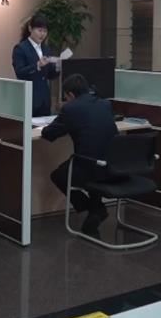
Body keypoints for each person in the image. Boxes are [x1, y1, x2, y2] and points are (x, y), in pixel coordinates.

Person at [41, 74, 119, 234]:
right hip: (114, 166)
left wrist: (59, 118)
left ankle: (94, 208)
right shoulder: (105, 104)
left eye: (66, 97)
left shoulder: (71, 109)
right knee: (93, 157)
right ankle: (96, 209)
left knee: (58, 176)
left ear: (70, 95)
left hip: (90, 168)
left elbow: (49, 134)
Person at [12, 13, 60, 117]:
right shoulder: (20, 48)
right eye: (39, 30)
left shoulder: (46, 48)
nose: (42, 34)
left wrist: (58, 67)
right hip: (29, 99)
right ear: (30, 29)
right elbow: (20, 73)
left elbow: (49, 75)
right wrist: (37, 65)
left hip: (45, 100)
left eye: (45, 31)